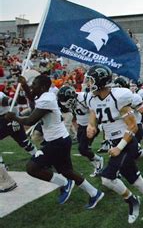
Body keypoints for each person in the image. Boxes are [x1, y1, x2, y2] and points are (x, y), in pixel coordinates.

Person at [5, 75, 104, 209]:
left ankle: (64, 183)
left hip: (57, 142)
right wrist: (25, 87)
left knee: (32, 167)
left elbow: (30, 121)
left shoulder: (46, 99)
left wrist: (14, 118)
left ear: (43, 87)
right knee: (67, 171)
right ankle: (94, 193)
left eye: (34, 85)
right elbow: (34, 103)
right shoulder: (45, 97)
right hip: (60, 140)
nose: (32, 87)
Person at [85, 65, 143, 224]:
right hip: (115, 142)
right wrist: (91, 125)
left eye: (91, 80)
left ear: (100, 81)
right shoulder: (92, 98)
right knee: (135, 178)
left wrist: (119, 147)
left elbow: (133, 127)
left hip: (127, 143)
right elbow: (94, 113)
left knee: (107, 179)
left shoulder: (118, 97)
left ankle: (132, 201)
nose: (88, 83)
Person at [57, 86, 104, 178]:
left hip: (90, 125)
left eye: (67, 101)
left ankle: (99, 160)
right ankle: (98, 166)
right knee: (84, 149)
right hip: (82, 126)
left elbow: (94, 110)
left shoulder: (85, 98)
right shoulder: (71, 102)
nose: (66, 104)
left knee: (83, 149)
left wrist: (93, 125)